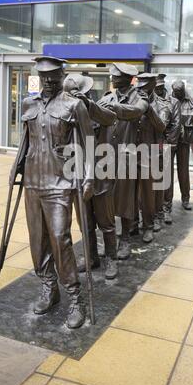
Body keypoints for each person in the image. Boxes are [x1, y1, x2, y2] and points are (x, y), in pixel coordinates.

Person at [10, 56, 94, 329]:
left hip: (60, 183)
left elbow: (89, 143)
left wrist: (89, 177)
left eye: (54, 75)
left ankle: (74, 297)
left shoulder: (74, 104)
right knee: (38, 241)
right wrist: (16, 168)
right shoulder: (28, 104)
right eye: (43, 76)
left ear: (62, 75)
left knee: (60, 239)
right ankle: (49, 288)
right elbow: (26, 141)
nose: (48, 80)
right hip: (33, 181)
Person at [63, 73, 119, 280]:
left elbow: (110, 118)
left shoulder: (98, 108)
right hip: (77, 173)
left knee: (106, 221)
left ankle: (111, 259)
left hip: (100, 173)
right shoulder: (66, 112)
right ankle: (91, 257)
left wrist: (88, 104)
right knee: (85, 221)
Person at [100, 62, 149, 260]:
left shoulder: (140, 97)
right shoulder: (107, 96)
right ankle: (109, 240)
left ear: (127, 78)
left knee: (126, 199)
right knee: (106, 200)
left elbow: (136, 112)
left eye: (116, 76)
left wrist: (114, 107)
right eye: (112, 76)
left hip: (128, 155)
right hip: (107, 155)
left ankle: (125, 239)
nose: (112, 78)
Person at [133, 73, 170, 241]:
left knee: (148, 194)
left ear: (152, 88)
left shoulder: (161, 105)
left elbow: (162, 126)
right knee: (130, 193)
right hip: (131, 152)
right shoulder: (133, 100)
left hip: (151, 154)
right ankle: (132, 223)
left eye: (144, 88)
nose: (140, 90)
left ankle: (148, 225)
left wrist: (148, 109)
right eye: (139, 87)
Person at [164, 79, 193, 214]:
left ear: (183, 90)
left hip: (184, 140)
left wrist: (181, 121)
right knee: (167, 172)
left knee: (183, 170)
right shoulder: (167, 101)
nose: (177, 93)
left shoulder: (192, 102)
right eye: (175, 91)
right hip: (170, 140)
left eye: (180, 91)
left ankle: (186, 199)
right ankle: (166, 203)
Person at [155, 73, 181, 224]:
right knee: (152, 178)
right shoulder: (151, 100)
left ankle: (166, 209)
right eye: (155, 87)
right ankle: (154, 209)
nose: (157, 89)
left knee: (166, 178)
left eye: (159, 86)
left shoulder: (173, 102)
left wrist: (168, 143)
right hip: (151, 143)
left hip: (165, 144)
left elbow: (176, 125)